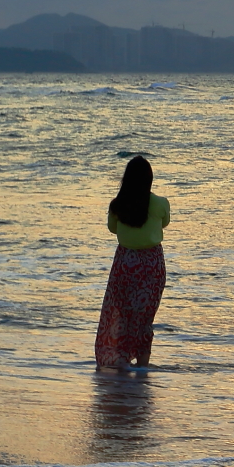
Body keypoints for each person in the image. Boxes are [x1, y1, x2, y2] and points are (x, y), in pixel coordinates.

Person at [95, 155, 170, 372]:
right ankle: (142, 368)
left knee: (122, 313)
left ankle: (121, 360)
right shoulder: (160, 203)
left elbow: (112, 229)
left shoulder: (117, 205)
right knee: (145, 317)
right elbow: (165, 222)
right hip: (152, 264)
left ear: (125, 179)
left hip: (126, 264)